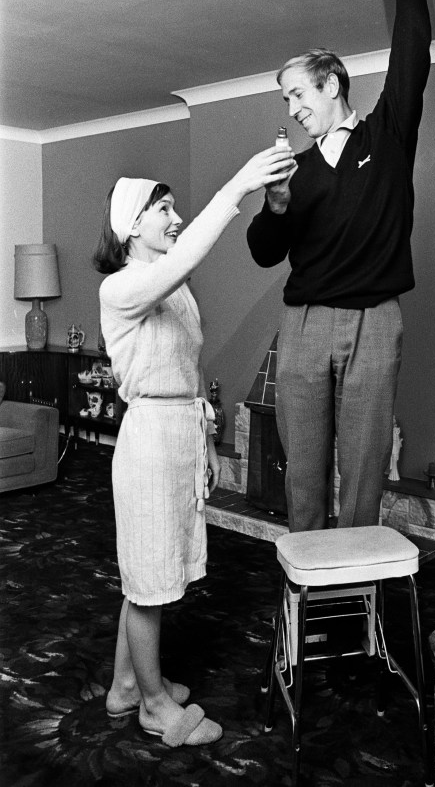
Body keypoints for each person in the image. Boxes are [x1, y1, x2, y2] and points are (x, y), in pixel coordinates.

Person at [93, 144, 296, 747]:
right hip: (149, 442)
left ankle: (125, 686)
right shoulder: (122, 288)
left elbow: (186, 369)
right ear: (132, 226)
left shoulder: (175, 292)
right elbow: (181, 260)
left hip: (179, 432)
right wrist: (236, 188)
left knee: (151, 572)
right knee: (148, 580)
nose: (174, 217)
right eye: (163, 209)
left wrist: (206, 441)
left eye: (176, 207)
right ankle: (154, 705)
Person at [246, 0, 431, 533]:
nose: (293, 108)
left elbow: (412, 50)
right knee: (302, 474)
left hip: (375, 322)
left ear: (332, 84)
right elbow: (262, 251)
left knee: (363, 472)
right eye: (286, 101)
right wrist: (275, 205)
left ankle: (353, 588)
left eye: (297, 93)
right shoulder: (294, 171)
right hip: (302, 326)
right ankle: (305, 593)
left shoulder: (388, 134)